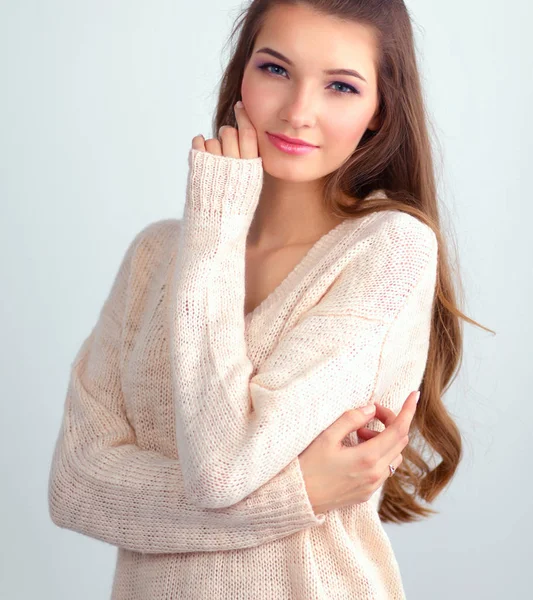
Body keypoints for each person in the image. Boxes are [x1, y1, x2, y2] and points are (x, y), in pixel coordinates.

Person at [48, 1, 490, 598]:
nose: (298, 112)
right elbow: (76, 487)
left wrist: (215, 229)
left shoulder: (389, 250)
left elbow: (222, 467)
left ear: (379, 113)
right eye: (275, 69)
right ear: (241, 78)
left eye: (340, 86)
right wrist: (298, 495)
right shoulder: (156, 256)